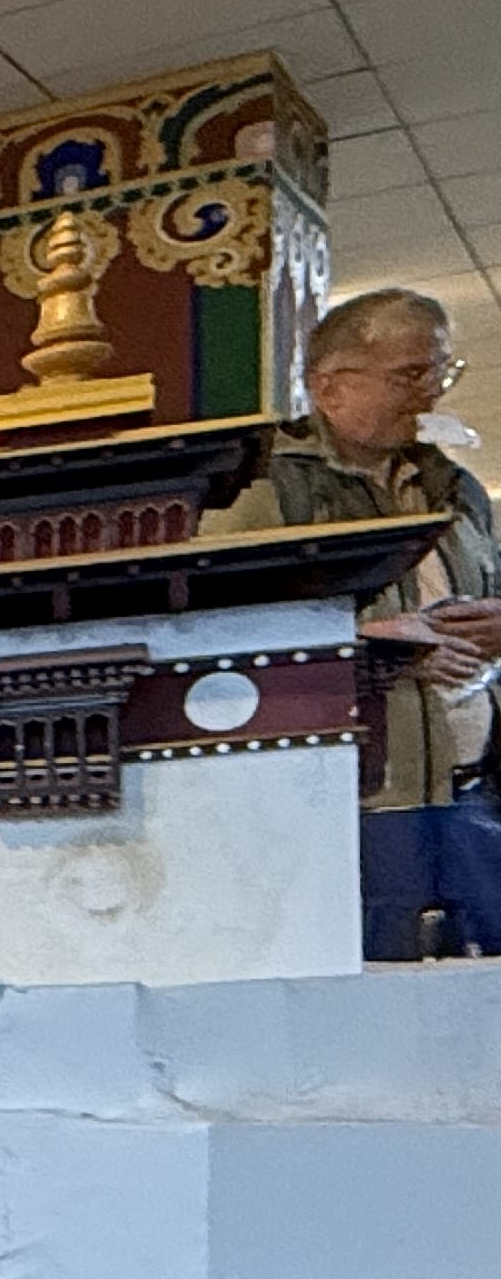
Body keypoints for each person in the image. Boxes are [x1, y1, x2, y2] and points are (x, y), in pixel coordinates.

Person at [205, 288, 501, 956]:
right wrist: (373, 645)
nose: (429, 395)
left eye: (440, 373)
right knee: (378, 988)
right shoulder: (263, 484)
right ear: (328, 385)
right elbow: (218, 630)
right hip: (358, 800)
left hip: (473, 792)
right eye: (410, 375)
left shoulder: (455, 488)